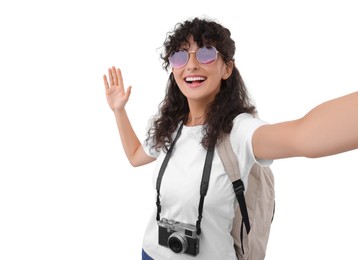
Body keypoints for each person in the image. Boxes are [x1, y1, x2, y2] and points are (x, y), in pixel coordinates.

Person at [103, 17, 358, 260]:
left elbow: (303, 137)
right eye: (181, 55)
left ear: (226, 68)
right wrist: (118, 110)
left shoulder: (238, 131)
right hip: (152, 253)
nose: (191, 64)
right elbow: (136, 156)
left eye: (205, 53)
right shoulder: (171, 126)